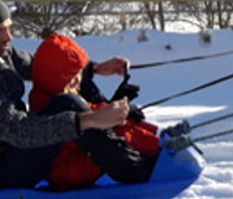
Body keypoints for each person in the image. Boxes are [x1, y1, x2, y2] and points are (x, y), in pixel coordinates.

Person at [0, 0, 154, 199]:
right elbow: (17, 129)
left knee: (71, 91)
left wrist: (92, 69)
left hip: (13, 148)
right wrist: (87, 120)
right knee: (67, 104)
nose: (9, 37)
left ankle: (124, 140)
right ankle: (135, 170)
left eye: (9, 27)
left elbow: (43, 67)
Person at [28, 32, 159, 190]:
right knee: (120, 132)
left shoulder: (49, 90)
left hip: (71, 158)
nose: (78, 80)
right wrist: (116, 112)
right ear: (56, 77)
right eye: (72, 76)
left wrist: (118, 109)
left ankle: (156, 143)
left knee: (118, 125)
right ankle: (156, 155)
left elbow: (91, 110)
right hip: (66, 171)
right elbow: (89, 116)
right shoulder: (54, 102)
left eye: (79, 74)